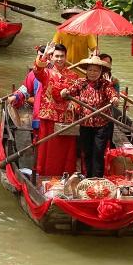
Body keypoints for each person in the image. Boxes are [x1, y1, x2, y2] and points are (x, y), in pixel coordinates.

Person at [61, 55, 120, 178]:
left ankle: (97, 179)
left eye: (96, 71)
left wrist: (114, 98)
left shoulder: (105, 84)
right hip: (85, 124)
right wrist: (65, 92)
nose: (93, 73)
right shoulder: (80, 83)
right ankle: (88, 178)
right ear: (86, 71)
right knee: (87, 152)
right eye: (90, 70)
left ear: (101, 72)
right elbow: (69, 91)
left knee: (98, 153)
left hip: (102, 125)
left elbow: (112, 94)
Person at [32, 43, 80, 176]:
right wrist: (45, 55)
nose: (59, 59)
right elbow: (36, 70)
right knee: (47, 149)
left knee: (65, 151)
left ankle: (65, 175)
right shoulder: (46, 73)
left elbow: (77, 96)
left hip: (65, 118)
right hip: (49, 115)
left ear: (66, 57)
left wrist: (73, 104)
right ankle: (44, 174)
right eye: (56, 56)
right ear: (52, 58)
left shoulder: (73, 76)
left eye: (62, 56)